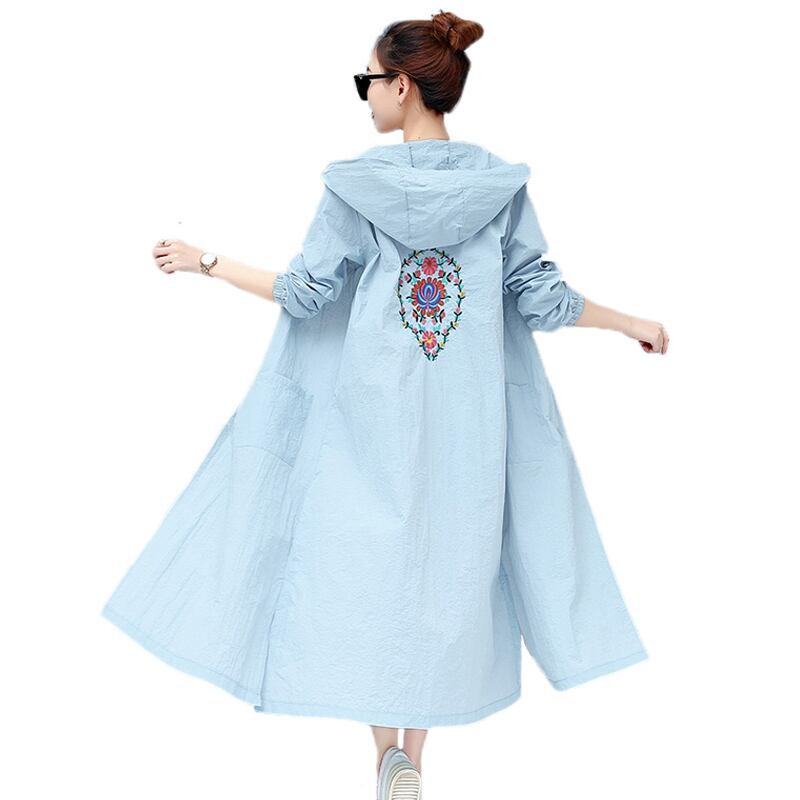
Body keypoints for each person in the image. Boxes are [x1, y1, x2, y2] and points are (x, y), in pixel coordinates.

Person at [108, 10, 666, 800]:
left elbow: (305, 294)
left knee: (368, 574)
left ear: (402, 86)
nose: (365, 95)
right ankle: (415, 758)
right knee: (446, 576)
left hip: (367, 425)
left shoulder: (355, 189)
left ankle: (384, 757)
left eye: (367, 81)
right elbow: (542, 300)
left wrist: (207, 261)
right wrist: (630, 323)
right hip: (470, 430)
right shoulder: (499, 190)